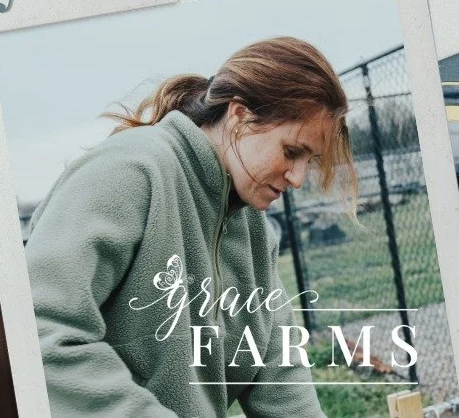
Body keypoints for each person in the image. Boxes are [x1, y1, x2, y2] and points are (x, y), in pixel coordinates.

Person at [25, 36, 357, 416]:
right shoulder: (131, 172)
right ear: (239, 117)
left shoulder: (253, 227)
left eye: (309, 161)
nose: (298, 178)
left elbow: (279, 369)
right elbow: (37, 333)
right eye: (291, 152)